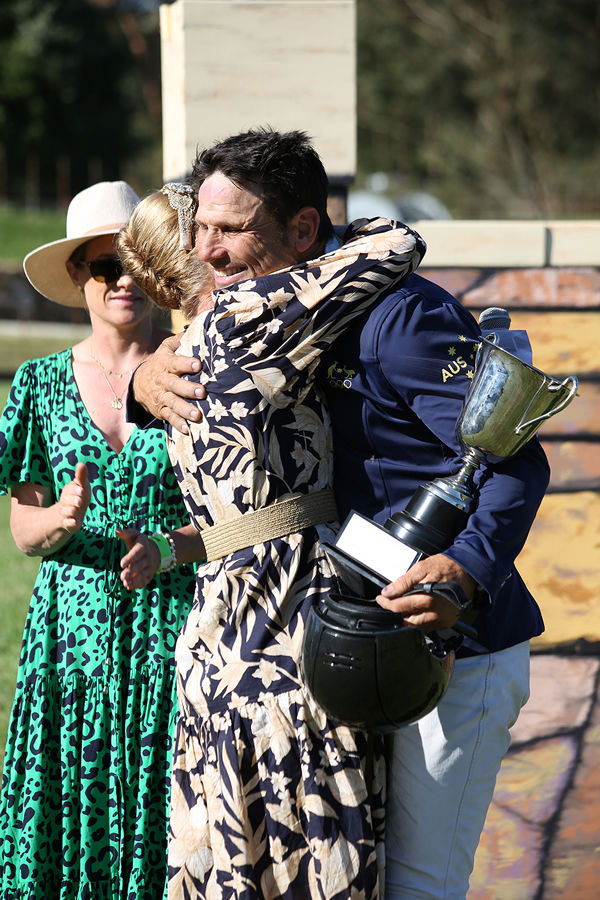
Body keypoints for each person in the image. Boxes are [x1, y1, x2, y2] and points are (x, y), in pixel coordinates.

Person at [129, 127, 551, 900]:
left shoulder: (400, 319)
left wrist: (468, 568)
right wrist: (144, 380)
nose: (209, 252)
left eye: (232, 231)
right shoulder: (269, 319)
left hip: (451, 646)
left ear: (302, 229)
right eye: (203, 229)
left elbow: (516, 456)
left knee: (417, 889)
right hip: (354, 640)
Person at [119, 162, 426, 898]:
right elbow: (397, 243)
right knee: (312, 873)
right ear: (197, 252)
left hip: (216, 651)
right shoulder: (249, 319)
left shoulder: (185, 348)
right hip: (291, 655)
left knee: (232, 875)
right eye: (216, 230)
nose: (228, 243)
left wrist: (136, 383)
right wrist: (305, 231)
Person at [0, 181, 206, 899]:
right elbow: (23, 531)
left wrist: (169, 546)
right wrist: (56, 519)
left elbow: (234, 517)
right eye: (102, 266)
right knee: (69, 822)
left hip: (170, 632)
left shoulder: (194, 371)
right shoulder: (37, 385)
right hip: (71, 643)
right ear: (78, 278)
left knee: (167, 827)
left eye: (133, 262)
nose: (122, 279)